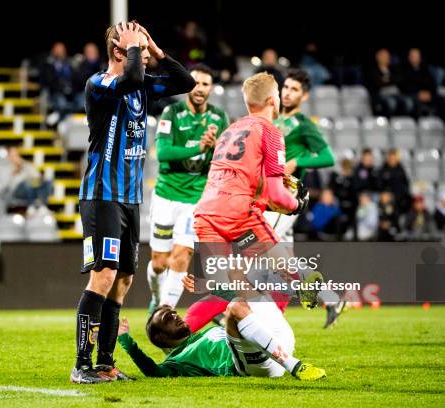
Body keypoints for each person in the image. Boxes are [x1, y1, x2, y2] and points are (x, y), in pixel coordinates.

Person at [71, 21, 195, 384]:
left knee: (123, 281)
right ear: (119, 53)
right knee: (104, 275)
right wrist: (137, 51)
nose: (144, 59)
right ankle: (82, 364)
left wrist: (154, 49)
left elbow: (184, 83)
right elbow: (128, 79)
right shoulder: (100, 85)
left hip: (129, 198)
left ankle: (105, 363)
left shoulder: (142, 87)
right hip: (101, 195)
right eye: (136, 49)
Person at [193, 72, 324, 380]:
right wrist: (297, 205)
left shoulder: (230, 130)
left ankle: (271, 356)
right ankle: (306, 285)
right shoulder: (270, 130)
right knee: (286, 267)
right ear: (271, 101)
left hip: (205, 217)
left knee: (235, 298)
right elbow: (277, 194)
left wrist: (272, 197)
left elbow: (246, 182)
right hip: (237, 216)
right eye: (278, 93)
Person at [146, 64, 228, 313]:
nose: (200, 88)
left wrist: (213, 147)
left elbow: (225, 159)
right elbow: (163, 153)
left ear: (211, 88)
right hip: (166, 196)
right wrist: (199, 148)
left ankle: (164, 312)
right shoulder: (172, 112)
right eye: (195, 83)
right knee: (160, 263)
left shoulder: (219, 118)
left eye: (205, 83)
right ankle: (156, 297)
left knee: (181, 257)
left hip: (195, 199)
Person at [264, 69, 342, 325]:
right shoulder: (272, 117)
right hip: (269, 191)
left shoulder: (305, 125)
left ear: (304, 96)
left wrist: (298, 161)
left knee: (262, 246)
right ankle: (329, 298)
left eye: (294, 89)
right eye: (286, 87)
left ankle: (232, 308)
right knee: (282, 260)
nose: (288, 93)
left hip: (286, 193)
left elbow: (328, 157)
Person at [117, 300, 301, 379]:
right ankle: (294, 365)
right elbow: (153, 372)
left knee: (249, 284)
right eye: (168, 319)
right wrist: (125, 340)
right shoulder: (176, 363)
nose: (175, 316)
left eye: (173, 313)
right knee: (235, 304)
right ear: (160, 337)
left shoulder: (205, 334)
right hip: (254, 365)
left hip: (278, 345)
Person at [366, 48, 408, 117]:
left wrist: (386, 80)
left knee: (408, 102)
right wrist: (390, 80)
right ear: (378, 57)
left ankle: (404, 122)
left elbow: (399, 80)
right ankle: (390, 122)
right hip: (382, 95)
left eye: (388, 56)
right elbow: (378, 83)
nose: (387, 58)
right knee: (391, 102)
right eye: (384, 56)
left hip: (396, 94)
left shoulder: (394, 69)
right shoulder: (373, 71)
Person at [72, 42, 105, 113]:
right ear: (85, 54)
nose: (91, 54)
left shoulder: (103, 66)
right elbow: (79, 83)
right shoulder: (79, 67)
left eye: (93, 52)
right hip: (83, 94)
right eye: (89, 52)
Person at [378, 148, 411, 214]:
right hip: (386, 196)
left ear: (397, 158)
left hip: (399, 197)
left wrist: (397, 195)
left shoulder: (401, 170)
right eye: (390, 158)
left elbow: (405, 185)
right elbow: (379, 184)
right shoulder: (383, 169)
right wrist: (385, 193)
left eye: (394, 158)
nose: (392, 160)